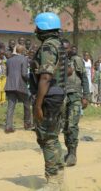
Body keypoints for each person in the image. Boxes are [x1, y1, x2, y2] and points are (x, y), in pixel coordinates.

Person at [30, 12, 67, 190]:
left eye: (37, 26)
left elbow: (45, 77)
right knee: (53, 137)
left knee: (47, 139)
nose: (35, 30)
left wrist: (38, 104)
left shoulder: (47, 47)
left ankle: (52, 181)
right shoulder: (59, 45)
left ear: (43, 28)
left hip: (49, 99)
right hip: (58, 96)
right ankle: (58, 176)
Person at [62, 41, 90, 167]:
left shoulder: (77, 60)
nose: (65, 50)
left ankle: (73, 154)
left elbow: (84, 78)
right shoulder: (58, 61)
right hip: (62, 98)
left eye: (66, 48)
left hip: (75, 96)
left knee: (72, 125)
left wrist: (86, 96)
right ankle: (69, 151)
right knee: (65, 126)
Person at [5, 45, 32, 133]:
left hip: (10, 85)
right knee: (27, 104)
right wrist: (30, 79)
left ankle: (8, 126)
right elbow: (24, 74)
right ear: (23, 51)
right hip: (20, 85)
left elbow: (7, 73)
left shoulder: (9, 60)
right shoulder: (24, 59)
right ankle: (27, 124)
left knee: (10, 106)